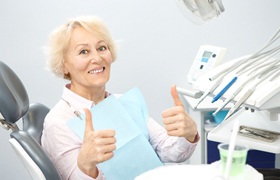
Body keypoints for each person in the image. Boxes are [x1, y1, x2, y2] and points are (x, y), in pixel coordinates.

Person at [41, 15, 199, 180]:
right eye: (83, 51)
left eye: (102, 48)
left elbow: (167, 151)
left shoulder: (124, 103)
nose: (97, 58)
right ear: (63, 65)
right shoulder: (58, 122)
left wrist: (188, 133)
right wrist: (87, 167)